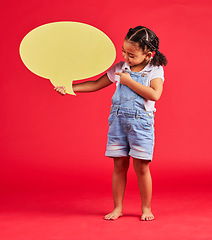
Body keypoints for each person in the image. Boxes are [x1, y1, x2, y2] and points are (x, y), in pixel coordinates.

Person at [55, 26, 167, 221]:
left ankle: (146, 208)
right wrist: (70, 87)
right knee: (119, 165)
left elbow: (155, 94)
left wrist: (129, 82)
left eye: (131, 54)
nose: (125, 57)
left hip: (141, 124)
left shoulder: (154, 70)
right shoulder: (120, 67)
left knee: (141, 166)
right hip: (118, 121)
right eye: (124, 51)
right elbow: (96, 84)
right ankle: (117, 208)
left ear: (148, 54)